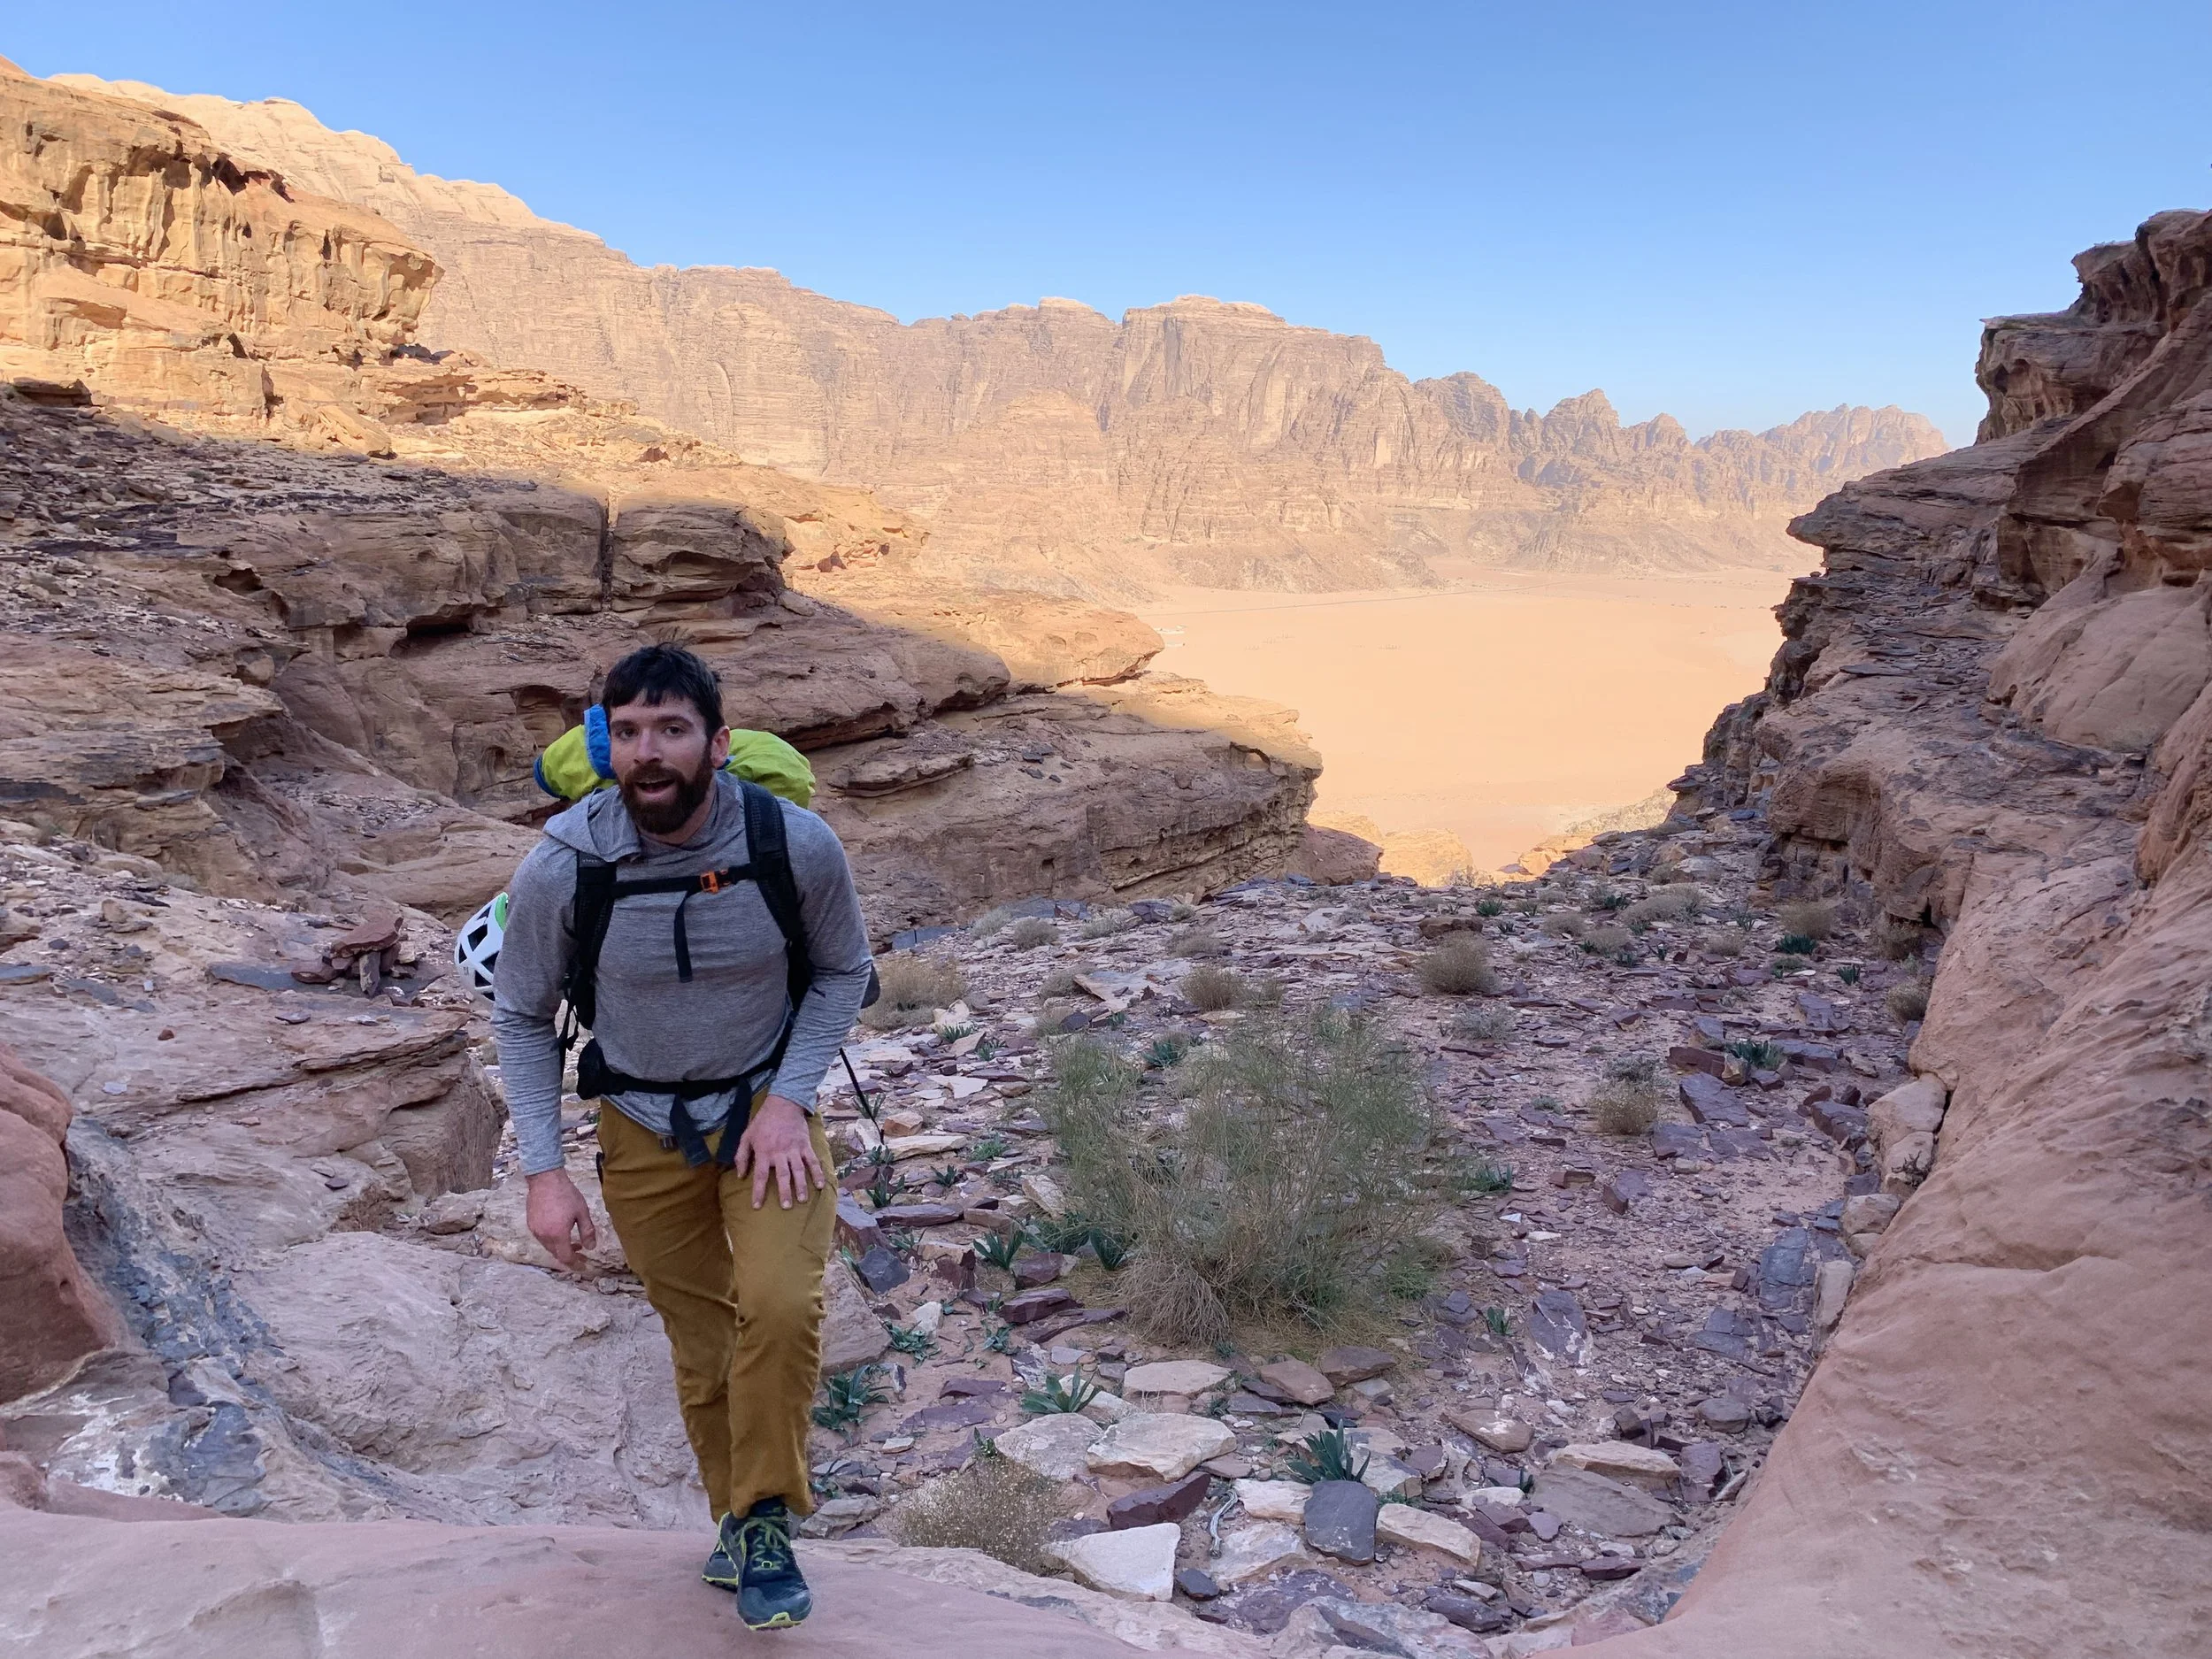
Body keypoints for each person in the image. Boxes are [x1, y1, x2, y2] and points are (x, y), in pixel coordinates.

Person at [491, 642, 872, 1632]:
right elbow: (522, 1016)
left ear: (718, 742)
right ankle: (738, 1521)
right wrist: (544, 1172)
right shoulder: (566, 864)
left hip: (766, 1117)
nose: (649, 752)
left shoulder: (792, 844)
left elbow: (844, 971)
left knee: (779, 1306)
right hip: (639, 1128)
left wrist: (789, 1099)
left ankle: (766, 1518)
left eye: (671, 729)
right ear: (607, 746)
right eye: (628, 733)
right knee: (703, 1344)